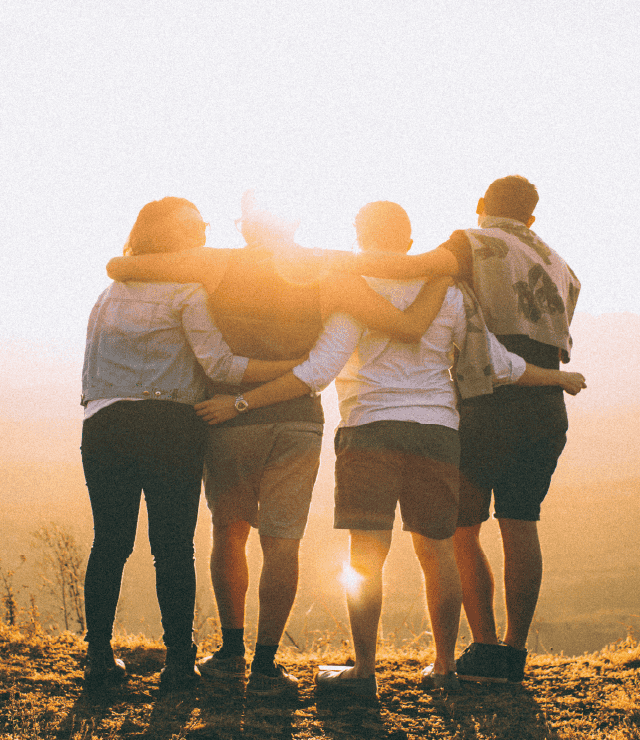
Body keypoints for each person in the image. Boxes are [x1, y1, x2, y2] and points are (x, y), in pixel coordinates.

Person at [197, 201, 584, 695]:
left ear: (360, 237)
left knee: (366, 557)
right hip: (437, 432)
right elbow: (498, 364)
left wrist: (242, 402)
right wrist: (558, 377)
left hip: (369, 431)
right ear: (408, 240)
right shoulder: (449, 292)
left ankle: (363, 672)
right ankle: (443, 666)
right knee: (437, 550)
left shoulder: (353, 292)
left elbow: (317, 372)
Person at [104, 192, 451, 697]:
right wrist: (443, 272)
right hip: (298, 420)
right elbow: (405, 326)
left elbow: (122, 267)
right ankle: (267, 666)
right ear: (294, 222)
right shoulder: (328, 271)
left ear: (245, 227)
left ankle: (230, 653)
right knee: (282, 542)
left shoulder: (217, 264)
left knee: (230, 532)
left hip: (229, 417)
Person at [352, 176, 582, 683]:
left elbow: (406, 267)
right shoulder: (561, 265)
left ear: (482, 206)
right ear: (532, 217)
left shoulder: (470, 241)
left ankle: (482, 647)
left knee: (462, 527)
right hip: (545, 403)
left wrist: (325, 266)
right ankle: (514, 653)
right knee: (522, 523)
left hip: (487, 398)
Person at [80, 197, 304, 694]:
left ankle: (98, 657)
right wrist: (290, 370)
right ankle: (179, 663)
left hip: (104, 424)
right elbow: (221, 368)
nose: (205, 232)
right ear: (178, 237)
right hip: (170, 426)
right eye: (197, 226)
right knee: (172, 548)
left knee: (110, 543)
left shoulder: (109, 293)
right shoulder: (186, 293)